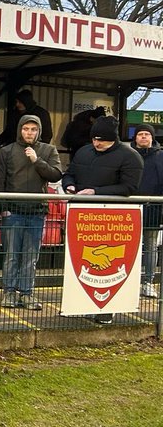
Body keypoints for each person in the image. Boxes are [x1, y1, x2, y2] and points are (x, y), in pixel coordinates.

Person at [62, 115, 144, 324]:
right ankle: (79, 305)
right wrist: (69, 185)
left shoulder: (130, 157)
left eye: (101, 140)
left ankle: (106, 311)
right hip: (82, 219)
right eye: (94, 139)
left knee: (109, 266)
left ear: (113, 139)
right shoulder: (83, 151)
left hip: (112, 222)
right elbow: (69, 173)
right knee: (80, 262)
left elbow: (129, 187)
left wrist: (95, 191)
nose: (96, 143)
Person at [0, 114, 62, 310]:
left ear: (39, 131)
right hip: (12, 212)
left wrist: (37, 160)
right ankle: (8, 293)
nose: (29, 133)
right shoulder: (5, 151)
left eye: (33, 129)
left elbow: (56, 174)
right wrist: (3, 208)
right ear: (19, 130)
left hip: (36, 211)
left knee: (31, 256)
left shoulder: (48, 150)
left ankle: (27, 294)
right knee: (11, 255)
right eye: (26, 129)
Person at [134, 124, 163, 298]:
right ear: (135, 138)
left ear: (152, 137)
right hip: (129, 208)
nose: (144, 137)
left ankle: (148, 282)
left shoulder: (160, 156)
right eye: (140, 134)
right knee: (130, 247)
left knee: (151, 247)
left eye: (147, 134)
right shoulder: (126, 154)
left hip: (153, 207)